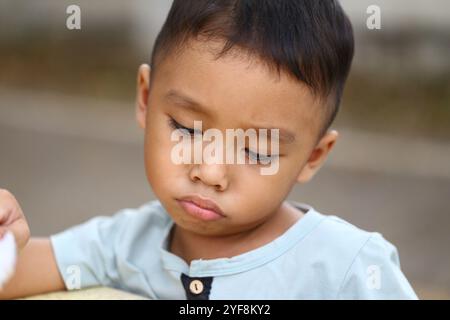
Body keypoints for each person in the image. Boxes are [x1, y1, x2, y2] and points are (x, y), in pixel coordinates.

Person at [0, 0, 417, 299]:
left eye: (256, 151)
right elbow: (13, 278)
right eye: (186, 127)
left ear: (313, 156)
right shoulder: (124, 245)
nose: (211, 172)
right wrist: (7, 243)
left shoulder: (347, 269)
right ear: (146, 98)